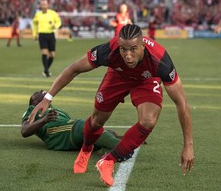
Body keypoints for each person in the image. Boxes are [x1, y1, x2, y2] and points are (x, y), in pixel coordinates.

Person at [28, 24, 194, 187]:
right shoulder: (109, 50)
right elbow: (74, 69)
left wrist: (188, 145)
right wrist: (48, 98)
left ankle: (108, 161)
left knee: (148, 120)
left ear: (143, 45)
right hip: (118, 76)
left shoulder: (160, 60)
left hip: (146, 80)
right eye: (123, 49)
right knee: (96, 121)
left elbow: (182, 103)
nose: (128, 55)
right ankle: (85, 150)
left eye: (133, 49)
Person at [22, 90, 129, 156]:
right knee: (84, 126)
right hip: (55, 133)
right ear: (35, 102)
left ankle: (117, 146)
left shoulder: (57, 110)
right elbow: (24, 131)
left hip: (67, 132)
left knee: (105, 132)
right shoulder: (33, 109)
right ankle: (124, 147)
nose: (42, 91)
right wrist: (43, 121)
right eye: (38, 93)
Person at [32, 0, 62, 78]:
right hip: (42, 35)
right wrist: (35, 34)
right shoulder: (38, 15)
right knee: (44, 53)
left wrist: (55, 26)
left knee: (52, 55)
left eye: (45, 4)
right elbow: (34, 24)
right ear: (41, 6)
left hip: (51, 35)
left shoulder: (53, 13)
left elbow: (59, 22)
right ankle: (46, 71)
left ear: (48, 5)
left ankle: (45, 70)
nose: (44, 6)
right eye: (42, 5)